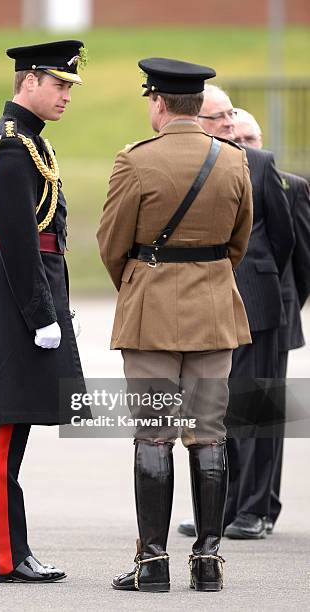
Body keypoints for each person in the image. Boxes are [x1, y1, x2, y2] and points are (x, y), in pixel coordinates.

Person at [97, 58, 253, 592]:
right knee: (209, 434)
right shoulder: (233, 161)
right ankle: (208, 561)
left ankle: (154, 563)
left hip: (152, 314)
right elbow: (239, 241)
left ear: (159, 103)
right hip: (213, 309)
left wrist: (141, 283)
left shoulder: (135, 160)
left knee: (154, 435)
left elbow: (111, 243)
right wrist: (206, 277)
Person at [0, 41, 87, 583]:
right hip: (16, 303)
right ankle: (5, 558)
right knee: (4, 432)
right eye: (59, 84)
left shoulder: (31, 142)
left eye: (68, 87)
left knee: (14, 433)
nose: (66, 95)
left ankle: (14, 550)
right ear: (30, 81)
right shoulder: (12, 147)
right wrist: (40, 317)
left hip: (27, 294)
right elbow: (16, 241)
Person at [177, 85, 295, 540]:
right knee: (214, 414)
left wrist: (260, 283)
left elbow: (284, 241)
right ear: (198, 121)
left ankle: (254, 511)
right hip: (208, 307)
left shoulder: (261, 166)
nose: (229, 123)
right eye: (219, 117)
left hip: (258, 306)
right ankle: (219, 510)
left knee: (258, 412)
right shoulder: (192, 162)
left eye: (231, 115)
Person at [234, 108, 310, 530]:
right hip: (233, 311)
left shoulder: (290, 186)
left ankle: (259, 507)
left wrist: (286, 308)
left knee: (261, 413)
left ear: (261, 142)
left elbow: (299, 259)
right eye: (236, 137)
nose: (243, 144)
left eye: (250, 138)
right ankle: (233, 503)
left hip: (273, 314)